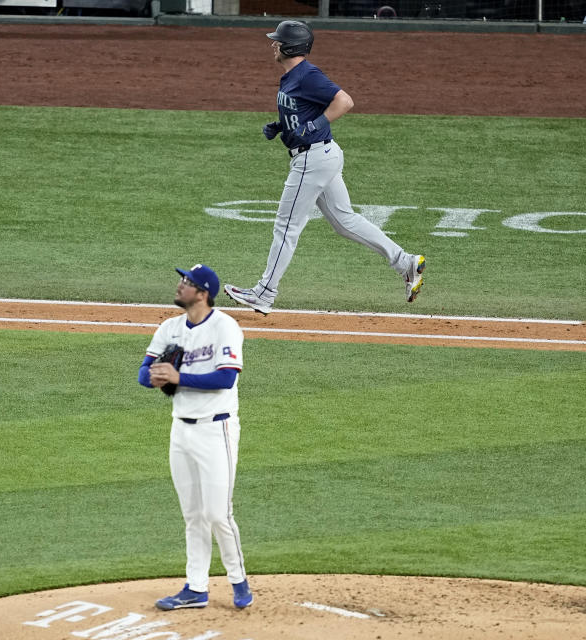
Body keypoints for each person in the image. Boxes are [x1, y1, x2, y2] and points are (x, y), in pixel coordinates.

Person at [223, 20, 425, 316]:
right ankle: (406, 262)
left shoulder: (307, 74)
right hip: (321, 156)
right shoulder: (293, 76)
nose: (273, 45)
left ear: (290, 46)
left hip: (312, 159)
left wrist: (317, 123)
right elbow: (302, 109)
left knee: (286, 226)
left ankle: (264, 293)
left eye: (277, 41)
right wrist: (282, 126)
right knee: (345, 221)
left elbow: (344, 101)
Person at [138, 263, 253, 610]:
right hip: (180, 430)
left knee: (218, 514)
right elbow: (143, 373)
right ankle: (196, 587)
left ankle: (239, 581)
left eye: (186, 282)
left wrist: (177, 377)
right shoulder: (170, 328)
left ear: (202, 293)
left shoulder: (225, 327)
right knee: (193, 514)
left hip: (216, 430)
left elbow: (225, 379)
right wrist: (156, 376)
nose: (179, 286)